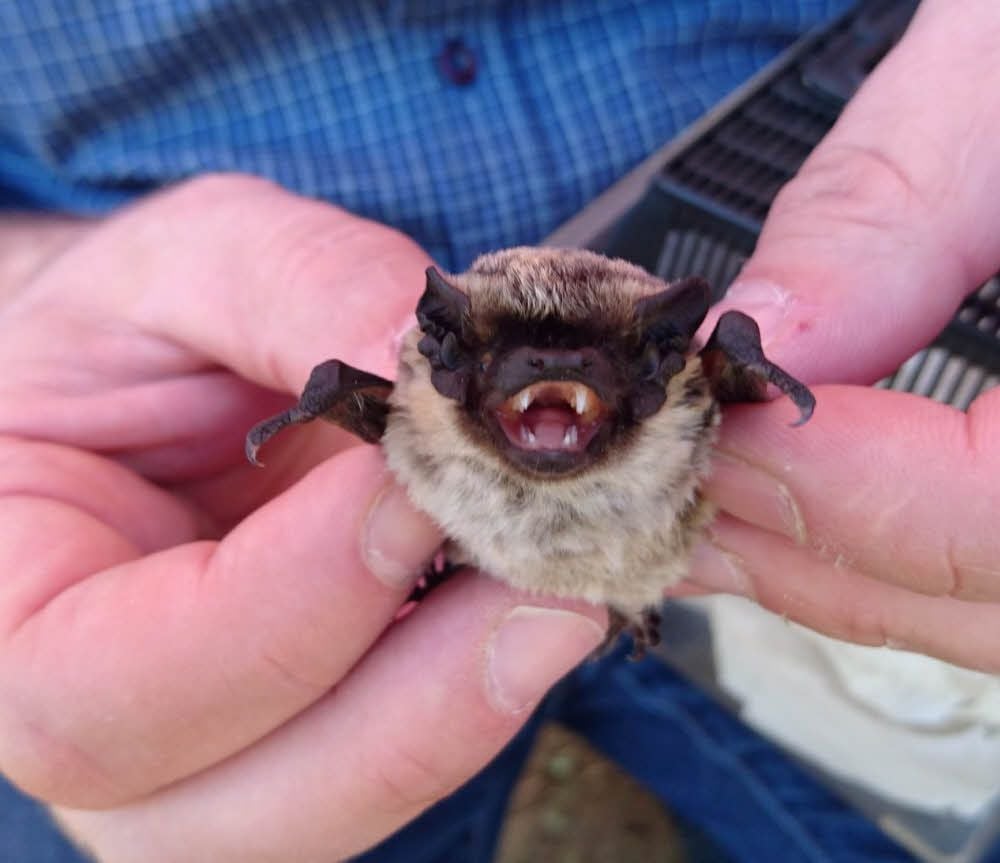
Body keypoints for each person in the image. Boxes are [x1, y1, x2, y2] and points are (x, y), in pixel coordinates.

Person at [1, 0, 999, 860]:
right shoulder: (402, 403)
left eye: (589, 365)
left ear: (661, 364)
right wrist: (26, 283)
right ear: (445, 360)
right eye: (519, 360)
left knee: (819, 796)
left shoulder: (695, 386)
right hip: (227, 516)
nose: (554, 379)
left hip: (748, 526)